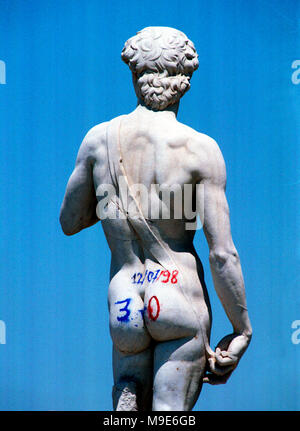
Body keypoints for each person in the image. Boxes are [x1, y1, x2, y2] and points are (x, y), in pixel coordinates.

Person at [60, 26, 252, 411]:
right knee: (169, 415)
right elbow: (222, 255)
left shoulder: (99, 139)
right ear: (185, 82)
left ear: (135, 75)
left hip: (125, 300)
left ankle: (127, 393)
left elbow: (70, 220)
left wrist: (115, 200)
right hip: (176, 295)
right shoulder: (200, 149)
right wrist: (241, 329)